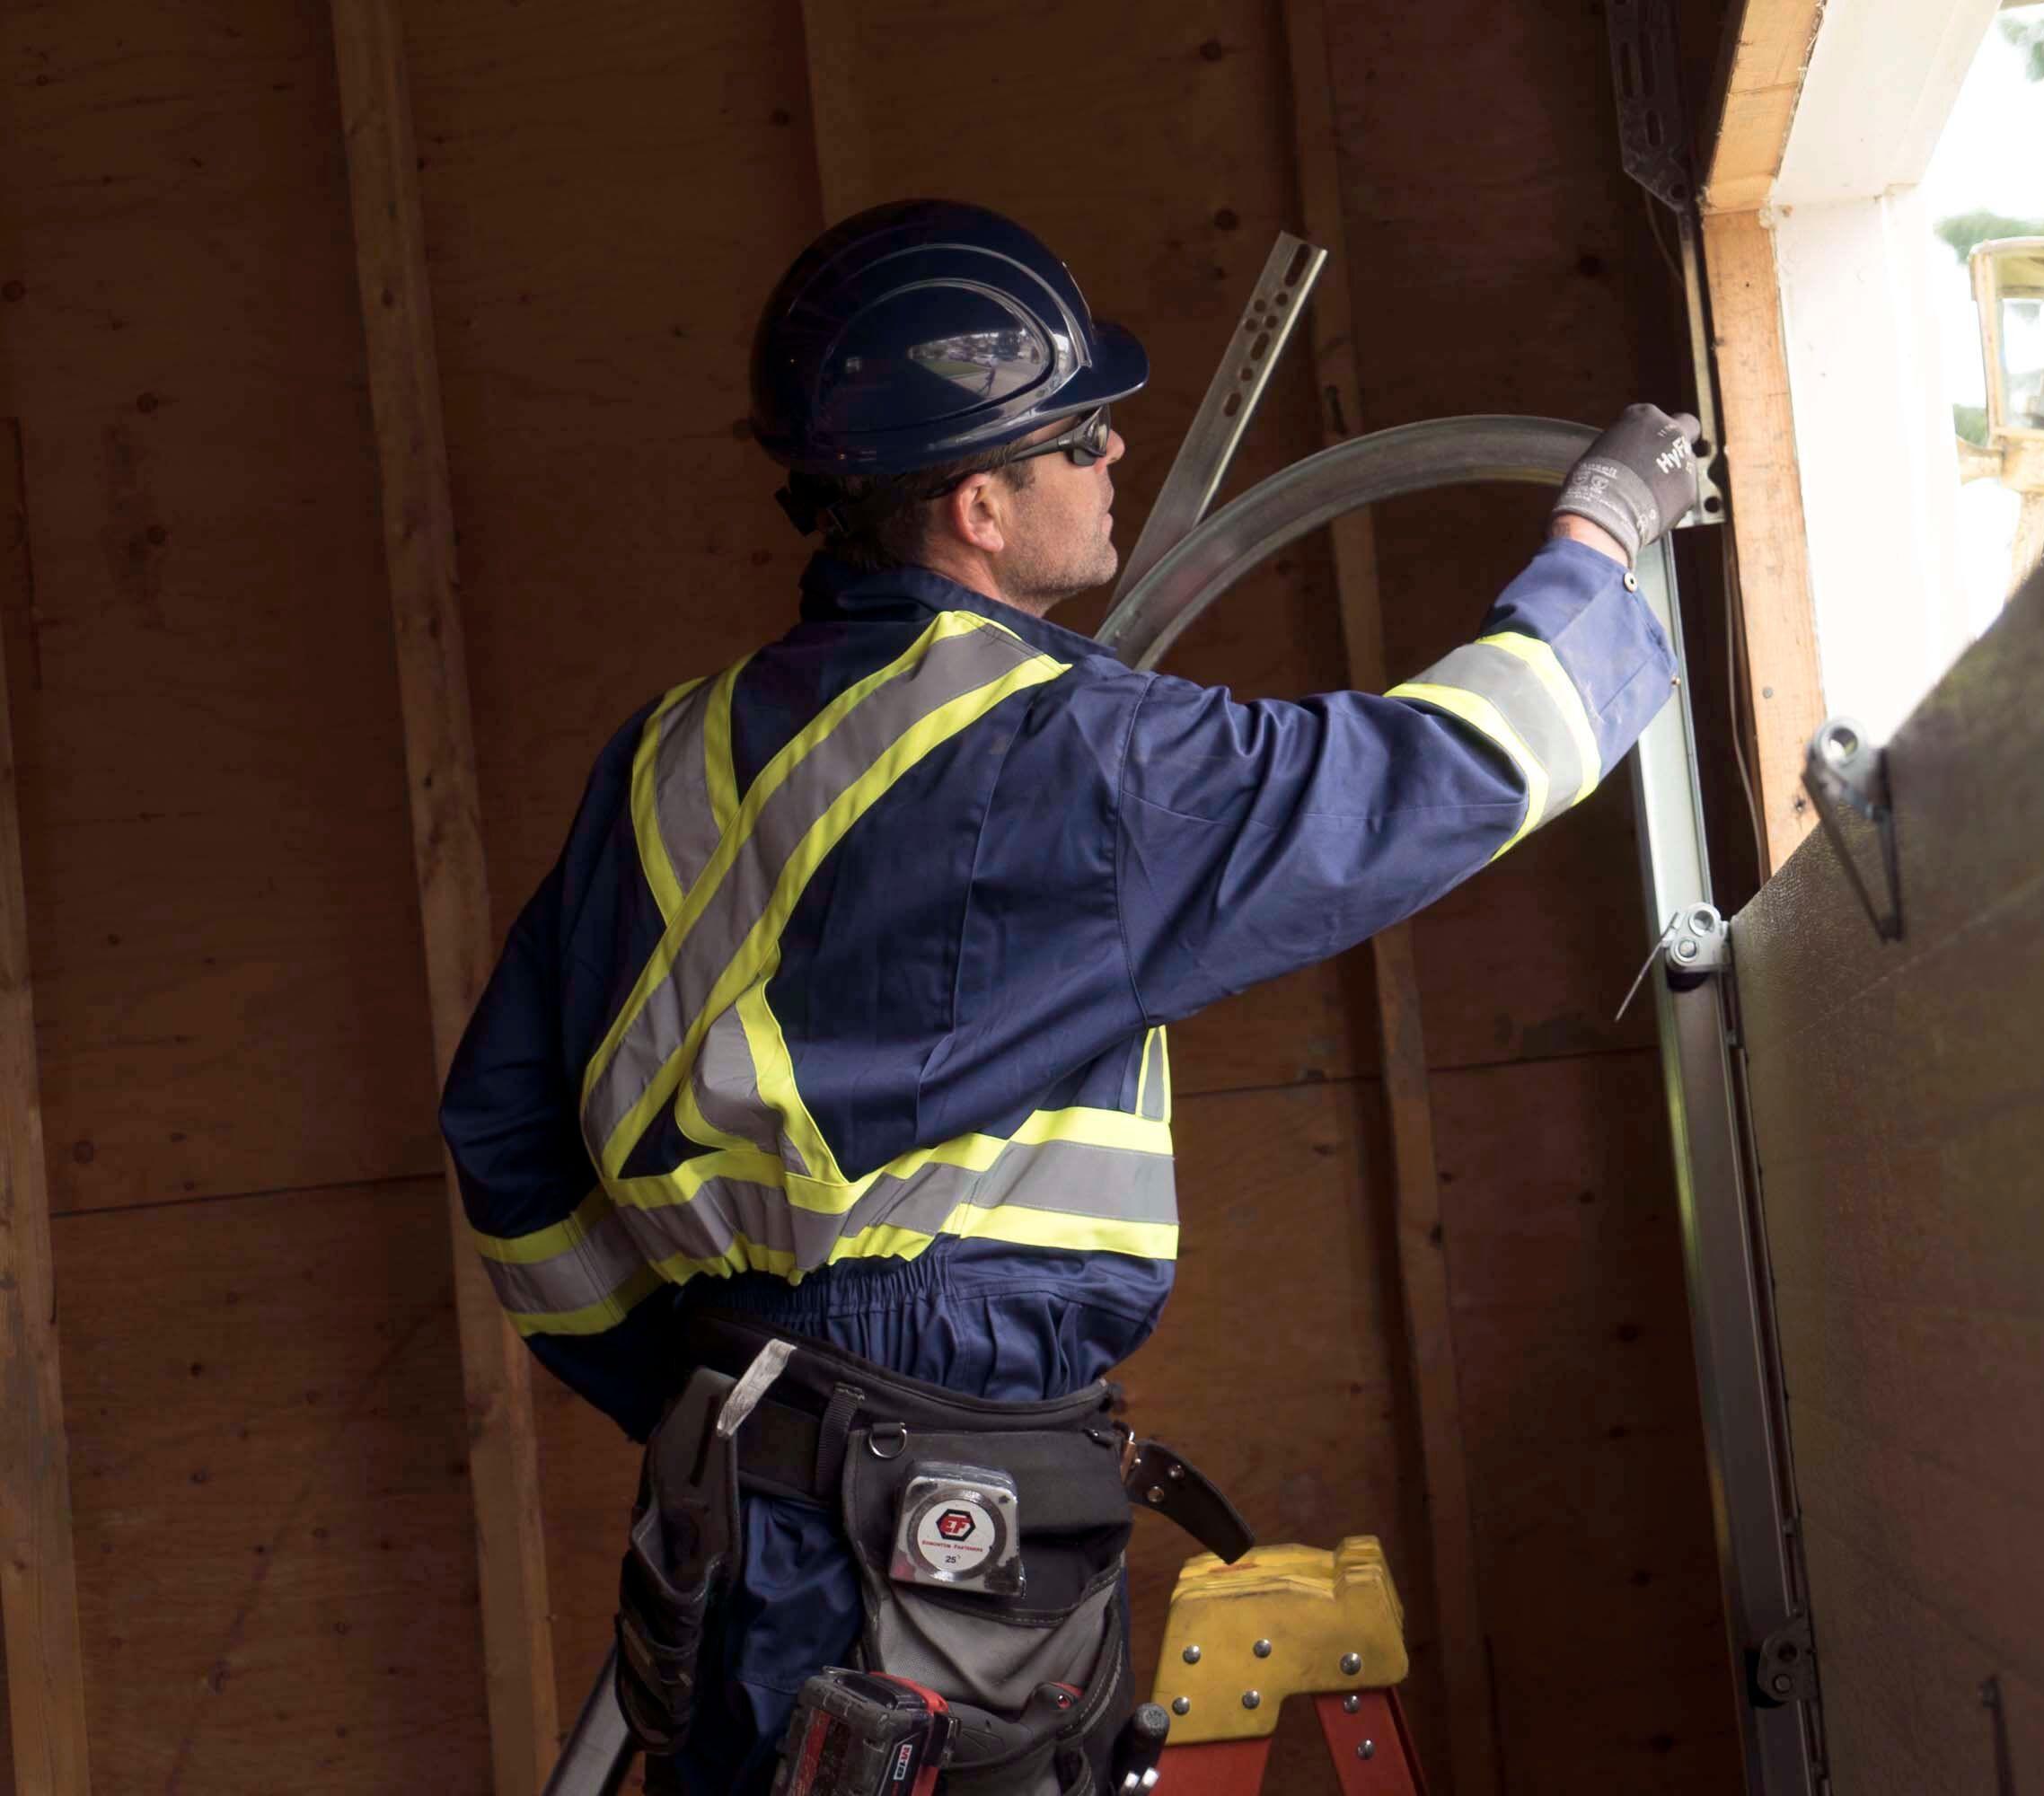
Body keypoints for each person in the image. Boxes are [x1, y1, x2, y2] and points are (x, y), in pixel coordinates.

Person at [440, 198, 1701, 1796]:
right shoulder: (1064, 749)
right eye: (1083, 435)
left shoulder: (666, 752)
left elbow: (500, 1126)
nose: (1118, 456)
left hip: (752, 1478)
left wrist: (686, 1390)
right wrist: (1600, 542)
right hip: (927, 1482)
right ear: (978, 503)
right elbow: (1453, 770)